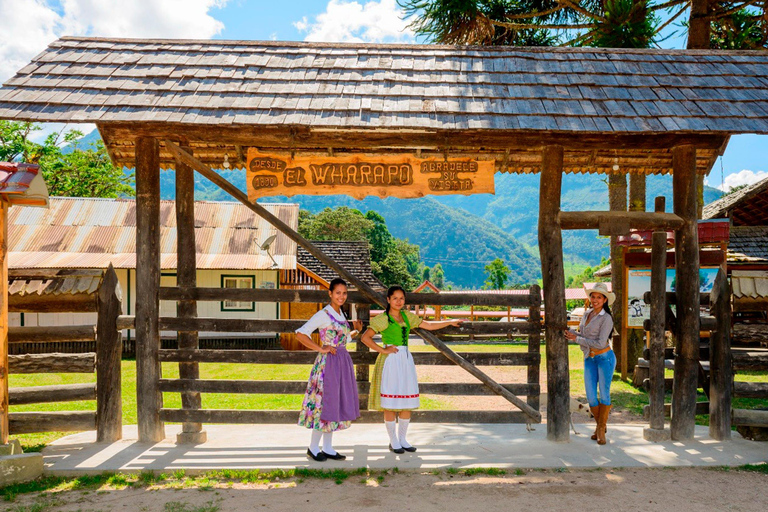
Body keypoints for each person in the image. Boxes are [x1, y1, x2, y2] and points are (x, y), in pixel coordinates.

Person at [360, 285, 462, 454]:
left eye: (401, 298)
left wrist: (449, 321)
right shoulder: (383, 319)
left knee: (406, 401)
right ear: (388, 300)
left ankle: (403, 439)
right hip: (391, 361)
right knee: (391, 404)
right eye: (395, 298)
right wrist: (383, 350)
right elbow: (365, 337)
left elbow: (428, 325)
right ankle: (393, 441)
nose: (398, 301)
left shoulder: (407, 316)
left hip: (405, 360)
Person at [295, 278, 362, 461]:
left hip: (341, 362)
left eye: (344, 293)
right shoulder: (324, 314)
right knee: (323, 403)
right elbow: (301, 333)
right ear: (330, 293)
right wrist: (321, 348)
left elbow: (343, 339)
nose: (341, 296)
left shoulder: (342, 314)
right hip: (327, 364)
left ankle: (328, 447)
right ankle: (313, 447)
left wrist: (354, 331)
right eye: (338, 293)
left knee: (335, 402)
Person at [565, 282, 616, 445]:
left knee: (604, 394)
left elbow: (601, 343)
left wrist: (577, 338)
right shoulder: (587, 314)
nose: (595, 300)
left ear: (605, 300)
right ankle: (601, 425)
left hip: (604, 358)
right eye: (593, 297)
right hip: (589, 358)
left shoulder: (607, 318)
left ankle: (600, 430)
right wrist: (572, 334)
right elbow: (583, 335)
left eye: (599, 297)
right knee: (591, 397)